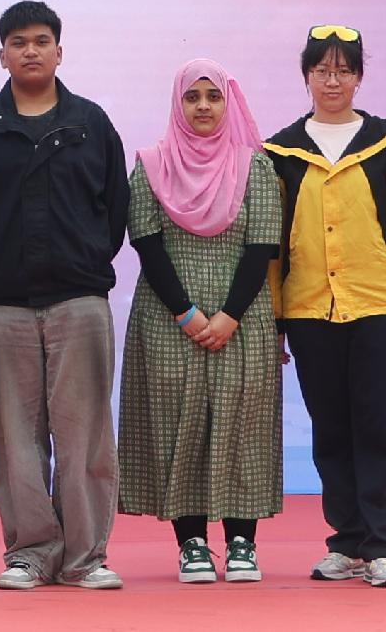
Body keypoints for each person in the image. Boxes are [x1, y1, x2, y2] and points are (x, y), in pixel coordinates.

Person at [0, 1, 127, 592]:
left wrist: (90, 260)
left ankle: (85, 557)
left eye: (41, 41)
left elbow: (115, 210)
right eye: (18, 42)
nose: (30, 51)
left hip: (79, 300)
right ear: (2, 54)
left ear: (59, 51)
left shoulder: (90, 123)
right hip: (4, 305)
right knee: (15, 434)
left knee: (85, 434)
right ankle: (30, 552)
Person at [265, 24, 386, 590]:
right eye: (322, 69)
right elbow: (274, 243)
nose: (332, 80)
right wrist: (276, 319)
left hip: (380, 308)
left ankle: (383, 545)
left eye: (344, 70)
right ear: (306, 75)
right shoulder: (281, 150)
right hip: (309, 310)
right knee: (330, 429)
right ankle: (347, 542)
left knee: (381, 427)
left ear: (359, 77)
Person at [117, 59, 286, 585]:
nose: (205, 106)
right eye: (193, 97)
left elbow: (263, 246)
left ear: (228, 102)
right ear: (179, 104)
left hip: (243, 313)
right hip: (169, 317)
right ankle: (191, 542)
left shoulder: (255, 165)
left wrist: (230, 315)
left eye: (214, 96)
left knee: (243, 424)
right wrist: (189, 315)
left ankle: (242, 542)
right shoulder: (150, 163)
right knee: (177, 423)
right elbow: (145, 242)